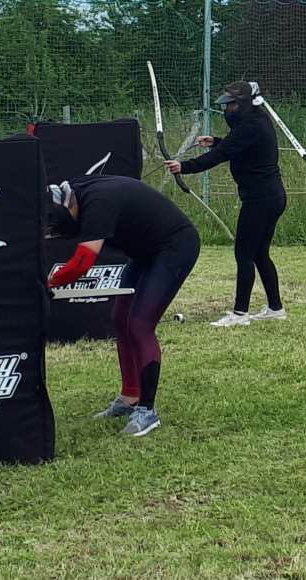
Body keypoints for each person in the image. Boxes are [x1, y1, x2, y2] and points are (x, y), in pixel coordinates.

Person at [45, 175, 200, 438]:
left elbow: (82, 262)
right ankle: (130, 398)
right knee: (120, 319)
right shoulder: (77, 195)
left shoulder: (96, 204)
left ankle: (147, 411)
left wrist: (48, 283)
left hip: (175, 247)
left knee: (139, 325)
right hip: (146, 252)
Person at [169, 80, 288, 328]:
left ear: (244, 104)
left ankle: (240, 313)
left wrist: (184, 167)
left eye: (232, 105)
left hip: (260, 200)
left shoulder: (251, 125)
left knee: (244, 253)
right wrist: (216, 141)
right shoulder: (257, 120)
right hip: (272, 196)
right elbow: (239, 146)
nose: (227, 110)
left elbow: (222, 155)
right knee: (259, 253)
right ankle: (275, 308)